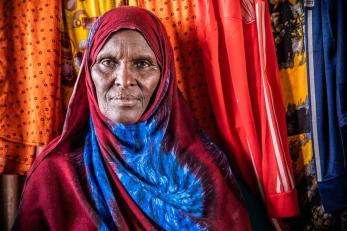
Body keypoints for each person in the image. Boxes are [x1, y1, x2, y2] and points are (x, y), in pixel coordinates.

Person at [12, 7, 251, 231]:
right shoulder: (55, 175)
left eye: (142, 63)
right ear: (89, 72)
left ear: (165, 76)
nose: (124, 79)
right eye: (108, 62)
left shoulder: (201, 171)